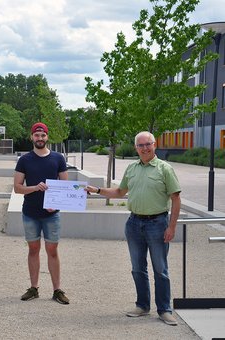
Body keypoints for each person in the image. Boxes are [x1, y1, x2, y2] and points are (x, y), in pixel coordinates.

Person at [85, 131, 181, 326]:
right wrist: (97, 190)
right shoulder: (131, 168)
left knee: (160, 269)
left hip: (158, 224)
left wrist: (171, 227)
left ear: (155, 145)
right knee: (138, 269)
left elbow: (175, 198)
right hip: (134, 224)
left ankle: (164, 310)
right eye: (140, 145)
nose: (145, 148)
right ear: (136, 148)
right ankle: (143, 306)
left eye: (148, 144)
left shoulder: (165, 169)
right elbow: (120, 192)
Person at [14, 122, 70, 304]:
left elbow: (65, 186)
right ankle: (34, 287)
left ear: (47, 137)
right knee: (33, 249)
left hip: (51, 214)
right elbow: (17, 188)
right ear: (32, 137)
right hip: (30, 212)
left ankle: (57, 290)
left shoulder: (58, 158)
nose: (40, 138)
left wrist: (57, 203)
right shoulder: (24, 160)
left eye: (43, 135)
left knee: (52, 250)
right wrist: (34, 188)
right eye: (36, 135)